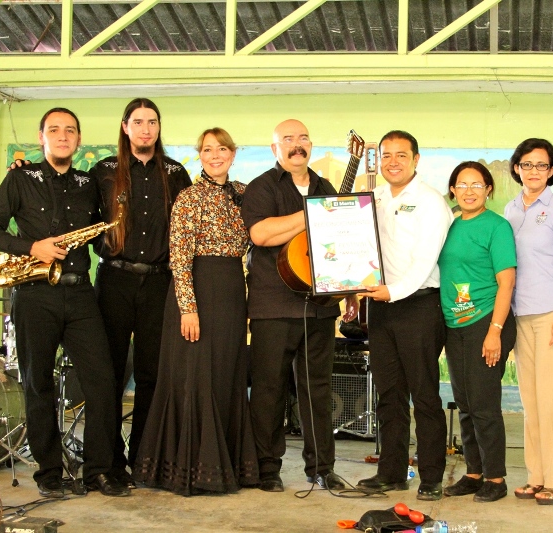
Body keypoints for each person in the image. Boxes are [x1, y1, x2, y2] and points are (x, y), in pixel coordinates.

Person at [0, 108, 129, 498]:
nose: (63, 136)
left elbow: (97, 237)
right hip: (33, 295)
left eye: (70, 131)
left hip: (80, 294)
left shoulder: (88, 181)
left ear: (78, 140)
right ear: (41, 136)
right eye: (55, 130)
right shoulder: (20, 177)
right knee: (38, 386)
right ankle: (49, 474)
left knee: (102, 383)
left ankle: (99, 471)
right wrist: (32, 247)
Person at [132, 127, 260, 495]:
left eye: (222, 149)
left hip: (233, 292)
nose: (215, 155)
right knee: (196, 378)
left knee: (227, 375)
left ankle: (230, 466)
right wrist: (188, 308)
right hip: (197, 293)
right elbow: (179, 258)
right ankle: (192, 469)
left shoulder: (245, 194)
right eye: (207, 150)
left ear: (233, 154)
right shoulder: (188, 197)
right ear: (199, 156)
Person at [241, 119, 357, 492]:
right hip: (273, 305)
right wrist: (313, 212)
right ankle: (267, 468)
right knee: (269, 390)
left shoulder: (324, 187)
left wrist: (350, 287)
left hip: (320, 306)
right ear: (275, 148)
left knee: (318, 390)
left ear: (311, 145)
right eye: (287, 139)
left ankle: (322, 468)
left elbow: (340, 241)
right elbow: (260, 234)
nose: (296, 145)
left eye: (303, 138)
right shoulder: (261, 187)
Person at [91, 98, 192, 486]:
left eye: (152, 122)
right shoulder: (103, 172)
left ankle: (144, 460)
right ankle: (110, 462)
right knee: (111, 374)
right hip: (113, 281)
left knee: (152, 374)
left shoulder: (176, 173)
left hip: (159, 283)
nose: (146, 129)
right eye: (138, 122)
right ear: (125, 127)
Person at [356, 131, 453, 502]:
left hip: (419, 306)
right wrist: (354, 290)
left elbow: (424, 261)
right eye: (386, 155)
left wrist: (391, 292)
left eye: (401, 155)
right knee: (389, 395)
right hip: (379, 307)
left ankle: (430, 477)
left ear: (416, 159)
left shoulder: (431, 202)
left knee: (424, 395)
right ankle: (391, 473)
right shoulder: (372, 198)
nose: (393, 162)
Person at [504, 139, 553, 505]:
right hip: (522, 315)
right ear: (516, 167)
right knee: (531, 401)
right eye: (526, 164)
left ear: (552, 171)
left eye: (541, 165)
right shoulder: (510, 209)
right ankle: (537, 475)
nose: (533, 171)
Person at [436, 161, 516, 503]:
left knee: (484, 405)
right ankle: (473, 472)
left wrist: (495, 331)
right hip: (455, 325)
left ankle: (495, 479)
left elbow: (507, 281)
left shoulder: (497, 227)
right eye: (462, 185)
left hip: (487, 321)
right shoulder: (448, 225)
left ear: (488, 190)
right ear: (452, 190)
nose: (469, 191)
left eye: (477, 185)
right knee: (465, 404)